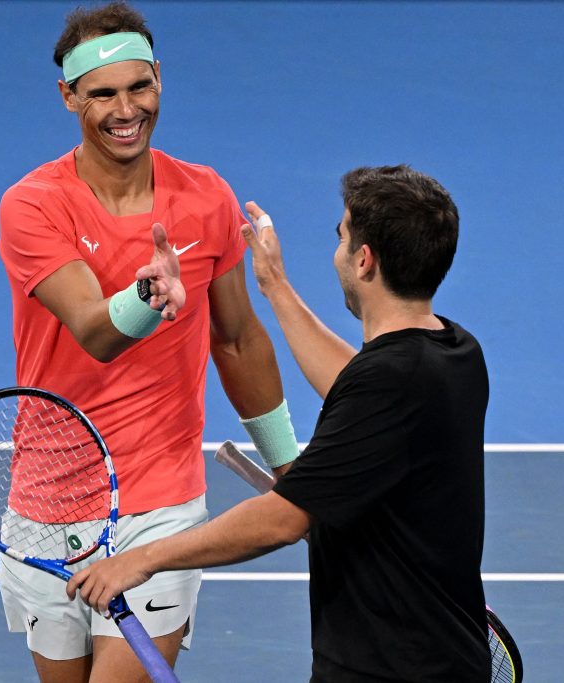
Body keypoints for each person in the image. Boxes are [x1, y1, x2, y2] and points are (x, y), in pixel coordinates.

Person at [67, 165, 493, 682]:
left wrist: (141, 560)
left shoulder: (386, 383)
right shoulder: (454, 351)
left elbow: (282, 520)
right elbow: (355, 383)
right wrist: (274, 286)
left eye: (341, 236)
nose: (336, 250)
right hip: (442, 656)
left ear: (365, 261)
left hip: (388, 668)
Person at [0, 2, 300, 681]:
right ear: (68, 96)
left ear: (160, 79)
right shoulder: (33, 205)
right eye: (102, 94)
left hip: (159, 499)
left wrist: (291, 470)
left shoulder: (206, 197)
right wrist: (145, 297)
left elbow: (239, 341)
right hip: (45, 499)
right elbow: (94, 331)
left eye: (140, 87)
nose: (125, 109)